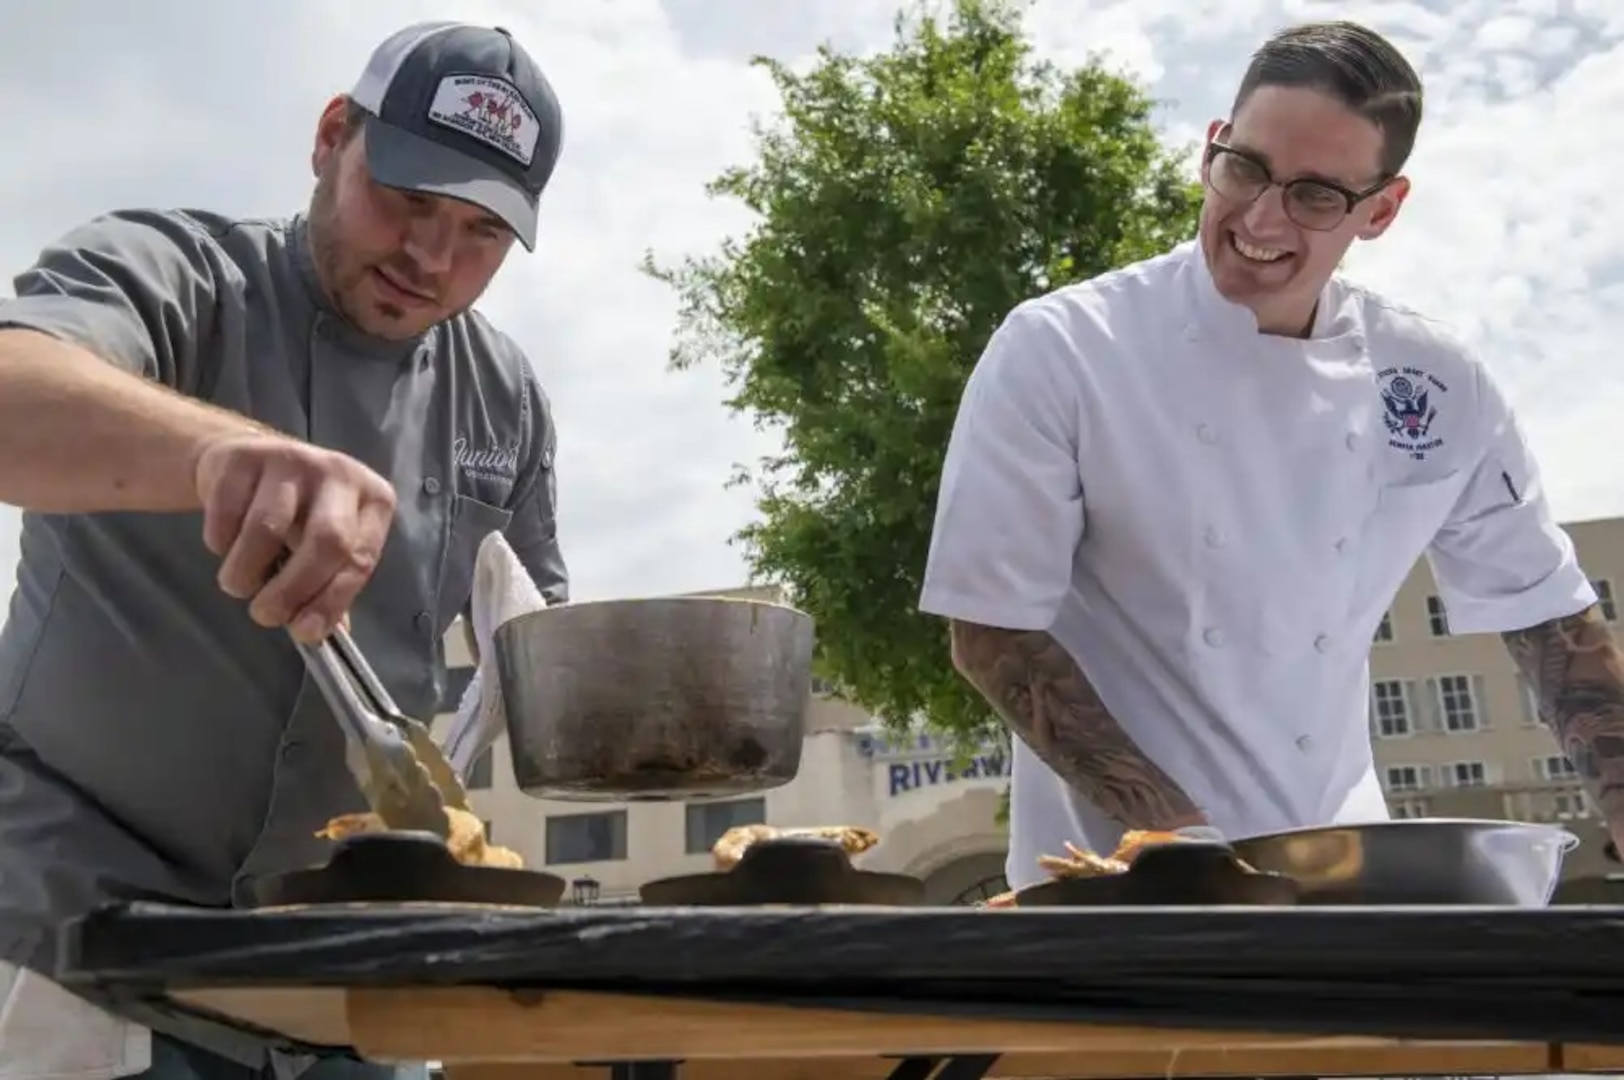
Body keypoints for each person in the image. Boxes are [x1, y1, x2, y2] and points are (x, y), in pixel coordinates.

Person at [919, 20, 1624, 893]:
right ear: (1214, 145)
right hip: (1110, 887)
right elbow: (993, 632)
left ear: (1382, 210)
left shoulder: (1434, 381)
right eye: (1244, 168)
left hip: (1340, 871)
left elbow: (1552, 623)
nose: (1260, 218)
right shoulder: (1063, 349)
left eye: (1316, 195)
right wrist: (1182, 843)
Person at [0, 20, 568, 1080]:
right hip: (84, 941)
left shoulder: (505, 398)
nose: (430, 259)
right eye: (406, 200)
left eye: (481, 231)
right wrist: (222, 452)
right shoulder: (173, 272)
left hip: (357, 975)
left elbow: (538, 649)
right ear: (330, 137)